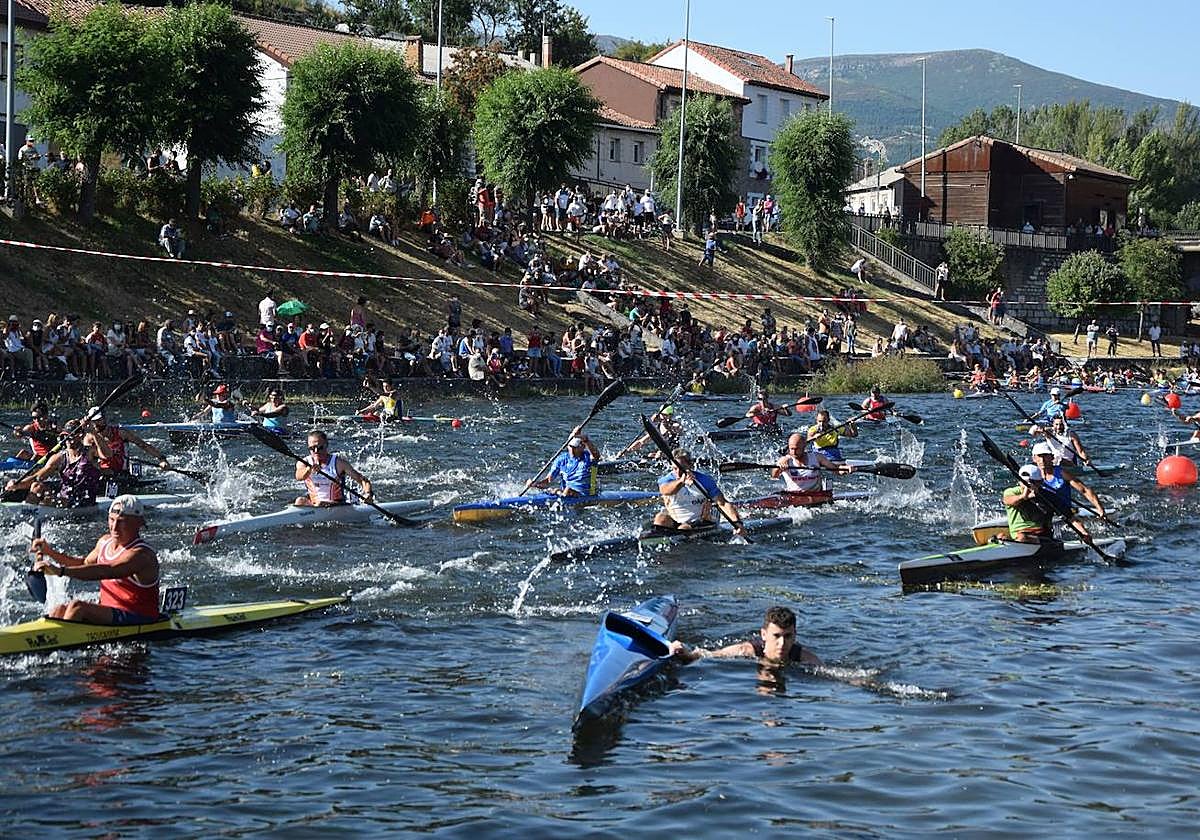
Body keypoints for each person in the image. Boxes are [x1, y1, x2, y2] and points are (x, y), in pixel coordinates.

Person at [31, 495, 162, 625]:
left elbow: (107, 571)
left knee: (78, 607)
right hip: (111, 614)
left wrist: (61, 571)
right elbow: (83, 564)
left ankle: (58, 643)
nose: (114, 527)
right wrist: (50, 552)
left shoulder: (141, 554)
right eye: (111, 519)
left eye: (122, 521)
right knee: (59, 610)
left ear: (138, 523)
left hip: (139, 617)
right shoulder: (104, 542)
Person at [668, 605, 823, 666]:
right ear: (764, 634)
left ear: (795, 635)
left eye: (788, 636)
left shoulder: (805, 658)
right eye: (776, 636)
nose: (782, 643)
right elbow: (709, 654)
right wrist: (685, 653)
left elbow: (830, 672)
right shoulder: (746, 651)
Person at [651, 448, 745, 537]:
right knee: (660, 519)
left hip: (703, 519)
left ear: (690, 465)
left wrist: (737, 523)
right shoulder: (666, 480)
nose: (678, 472)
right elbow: (665, 491)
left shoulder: (704, 480)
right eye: (675, 469)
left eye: (682, 468)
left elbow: (723, 503)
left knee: (684, 528)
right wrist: (681, 482)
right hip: (677, 520)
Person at [5, 421, 101, 506]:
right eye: (64, 436)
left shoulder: (89, 452)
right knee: (36, 486)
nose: (67, 439)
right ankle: (28, 513)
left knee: (48, 501)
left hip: (85, 499)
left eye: (70, 436)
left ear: (80, 436)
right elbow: (37, 476)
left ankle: (38, 513)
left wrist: (94, 433)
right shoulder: (59, 457)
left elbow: (108, 455)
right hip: (65, 496)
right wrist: (18, 484)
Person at [1029, 442, 1106, 537]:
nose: (1042, 460)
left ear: (1052, 457)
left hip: (1065, 513)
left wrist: (1099, 509)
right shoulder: (1031, 475)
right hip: (1044, 513)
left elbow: (1084, 490)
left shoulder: (1061, 473)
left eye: (1046, 456)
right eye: (1039, 456)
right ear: (1034, 458)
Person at [86, 407, 169, 489]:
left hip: (121, 474)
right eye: (93, 421)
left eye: (99, 420)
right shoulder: (89, 438)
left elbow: (143, 445)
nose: (96, 424)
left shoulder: (121, 433)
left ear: (105, 419)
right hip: (102, 475)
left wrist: (162, 459)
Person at [294, 430, 373, 507]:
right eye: (312, 448)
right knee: (300, 501)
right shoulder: (304, 462)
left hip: (337, 504)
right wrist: (309, 470)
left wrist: (368, 494)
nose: (316, 451)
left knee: (320, 503)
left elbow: (363, 480)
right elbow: (299, 476)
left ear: (326, 445)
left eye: (320, 447)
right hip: (315, 504)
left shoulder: (339, 463)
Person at [774, 433, 853, 492]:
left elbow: (836, 469)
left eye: (797, 449)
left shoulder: (817, 457)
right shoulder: (784, 460)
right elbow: (774, 476)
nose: (794, 452)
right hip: (795, 496)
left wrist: (847, 469)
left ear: (804, 446)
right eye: (791, 449)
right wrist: (778, 469)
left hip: (816, 495)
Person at [533, 428, 600, 497]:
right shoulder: (561, 459)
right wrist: (535, 484)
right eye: (570, 446)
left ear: (582, 446)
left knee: (566, 490)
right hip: (566, 493)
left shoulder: (588, 457)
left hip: (588, 494)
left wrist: (586, 440)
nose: (572, 450)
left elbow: (596, 455)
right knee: (552, 490)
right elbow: (548, 480)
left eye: (575, 447)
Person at [1001, 464, 1054, 543]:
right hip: (1018, 534)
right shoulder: (1012, 492)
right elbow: (1007, 501)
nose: (1027, 486)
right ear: (1019, 482)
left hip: (1040, 533)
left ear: (1040, 482)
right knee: (1001, 536)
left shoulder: (1046, 495)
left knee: (1022, 537)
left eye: (1031, 483)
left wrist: (1038, 498)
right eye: (1024, 483)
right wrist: (1023, 497)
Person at [1029, 414, 1094, 477]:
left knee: (1060, 460)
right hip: (1052, 461)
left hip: (1068, 464)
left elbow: (1081, 451)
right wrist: (1039, 429)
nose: (1059, 427)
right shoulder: (1049, 432)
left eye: (1061, 424)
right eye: (1056, 424)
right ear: (1053, 424)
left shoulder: (1071, 435)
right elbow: (1032, 432)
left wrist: (1086, 460)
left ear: (1065, 424)